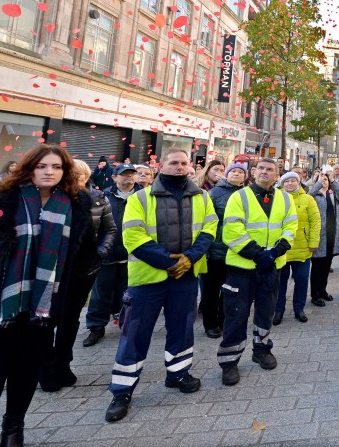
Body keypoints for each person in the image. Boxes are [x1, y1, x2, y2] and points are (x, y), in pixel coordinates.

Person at [0, 145, 94, 447]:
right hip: (1, 305)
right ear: (28, 168)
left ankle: (12, 431)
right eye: (42, 166)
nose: (49, 172)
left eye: (56, 167)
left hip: (43, 308)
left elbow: (82, 254)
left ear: (65, 172)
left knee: (26, 371)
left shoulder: (75, 205)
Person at [104, 149, 217, 423]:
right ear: (161, 165)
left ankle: (178, 374)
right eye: (173, 163)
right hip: (147, 279)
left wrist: (190, 259)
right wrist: (168, 262)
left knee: (181, 329)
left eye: (183, 163)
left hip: (186, 277)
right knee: (135, 334)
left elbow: (210, 228)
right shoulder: (140, 197)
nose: (179, 167)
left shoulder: (202, 197)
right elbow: (132, 236)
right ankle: (122, 391)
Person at [217, 158, 297, 386]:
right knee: (236, 314)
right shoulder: (238, 197)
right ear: (253, 172)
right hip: (242, 267)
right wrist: (258, 254)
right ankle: (229, 362)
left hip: (272, 266)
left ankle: (261, 350)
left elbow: (290, 226)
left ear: (277, 174)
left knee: (266, 312)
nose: (264, 172)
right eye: (260, 168)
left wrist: (275, 252)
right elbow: (232, 230)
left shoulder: (285, 198)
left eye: (269, 169)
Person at [40, 160, 116, 392]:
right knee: (45, 320)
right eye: (71, 174)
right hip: (52, 270)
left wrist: (99, 254)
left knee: (70, 319)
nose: (76, 178)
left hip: (83, 270)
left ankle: (64, 363)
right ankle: (45, 368)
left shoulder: (97, 199)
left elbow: (109, 230)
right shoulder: (53, 200)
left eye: (80, 174)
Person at [83, 163, 139, 347]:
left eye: (131, 174)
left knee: (129, 294)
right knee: (100, 294)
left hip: (134, 255)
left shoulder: (144, 196)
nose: (128, 177)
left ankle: (128, 325)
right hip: (108, 253)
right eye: (124, 174)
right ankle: (96, 327)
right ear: (114, 177)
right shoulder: (103, 196)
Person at [202, 163, 247, 338]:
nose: (236, 173)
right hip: (216, 250)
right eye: (233, 171)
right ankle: (210, 324)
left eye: (240, 171)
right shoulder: (213, 193)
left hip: (237, 250)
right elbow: (206, 222)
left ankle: (224, 320)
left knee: (230, 290)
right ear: (226, 175)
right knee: (211, 290)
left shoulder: (246, 194)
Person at [274, 171, 320, 323]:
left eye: (293, 180)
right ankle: (278, 310)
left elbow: (315, 222)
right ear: (282, 183)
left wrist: (313, 243)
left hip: (302, 247)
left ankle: (298, 309)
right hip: (281, 248)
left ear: (299, 182)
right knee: (280, 282)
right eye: (287, 181)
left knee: (301, 280)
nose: (290, 183)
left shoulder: (308, 199)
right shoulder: (276, 197)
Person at [310, 169, 339, 307]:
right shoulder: (314, 195)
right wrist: (318, 183)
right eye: (322, 179)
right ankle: (315, 294)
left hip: (332, 235)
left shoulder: (332, 194)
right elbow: (309, 194)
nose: (324, 181)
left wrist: (332, 180)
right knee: (317, 267)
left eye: (326, 179)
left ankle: (323, 290)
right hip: (319, 236)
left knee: (326, 266)